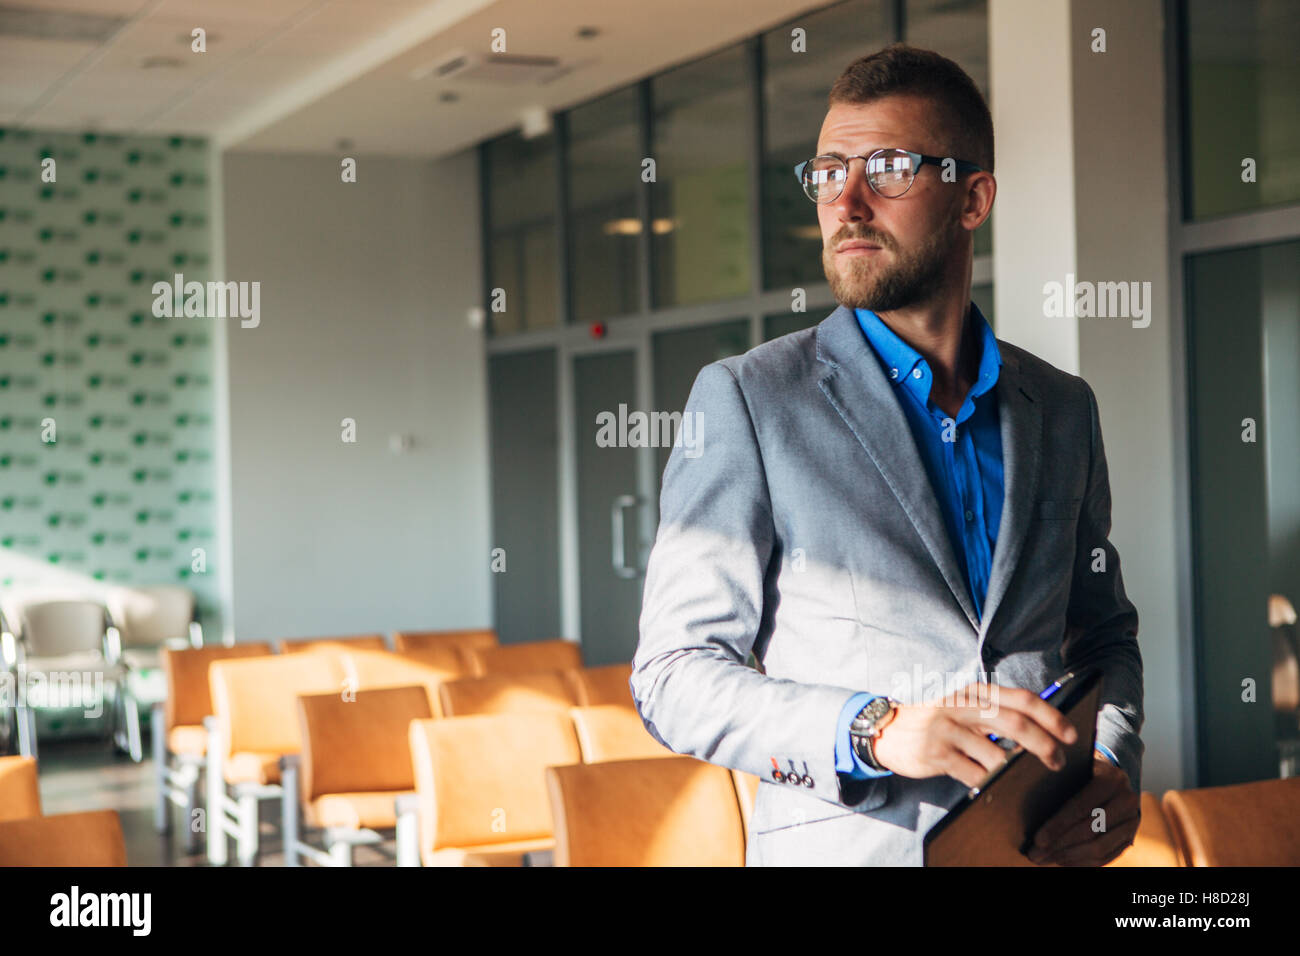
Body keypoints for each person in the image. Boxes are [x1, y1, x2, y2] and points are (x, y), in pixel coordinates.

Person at [631, 44, 1143, 867]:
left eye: (891, 167)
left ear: (973, 197)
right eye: (830, 170)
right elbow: (673, 676)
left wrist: (1111, 763)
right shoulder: (749, 400)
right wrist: (876, 730)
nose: (849, 201)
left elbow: (1102, 636)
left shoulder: (1063, 409)